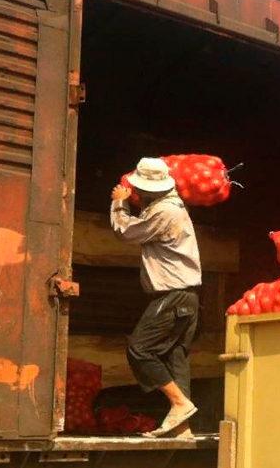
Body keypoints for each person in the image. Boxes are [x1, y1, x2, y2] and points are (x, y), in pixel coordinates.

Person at [110, 157, 202, 439]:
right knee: (175, 358)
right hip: (187, 298)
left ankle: (179, 402)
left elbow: (126, 231)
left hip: (172, 295)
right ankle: (182, 429)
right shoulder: (170, 207)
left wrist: (119, 203)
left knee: (140, 348)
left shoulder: (164, 212)